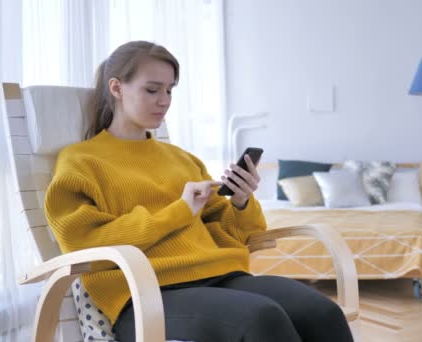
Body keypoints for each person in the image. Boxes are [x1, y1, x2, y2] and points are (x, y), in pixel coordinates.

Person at [45, 40, 354, 342]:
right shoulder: (81, 162)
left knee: (322, 312)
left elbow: (239, 236)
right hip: (145, 296)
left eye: (169, 90)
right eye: (152, 89)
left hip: (222, 276)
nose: (164, 100)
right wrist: (178, 212)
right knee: (261, 318)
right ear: (116, 88)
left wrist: (242, 201)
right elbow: (83, 244)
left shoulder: (182, 159)